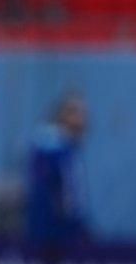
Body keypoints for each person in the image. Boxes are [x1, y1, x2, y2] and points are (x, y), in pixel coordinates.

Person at [26, 93, 89, 251]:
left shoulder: (65, 147)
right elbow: (59, 194)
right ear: (63, 115)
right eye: (76, 113)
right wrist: (71, 227)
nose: (83, 119)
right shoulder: (54, 148)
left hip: (56, 230)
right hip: (53, 235)